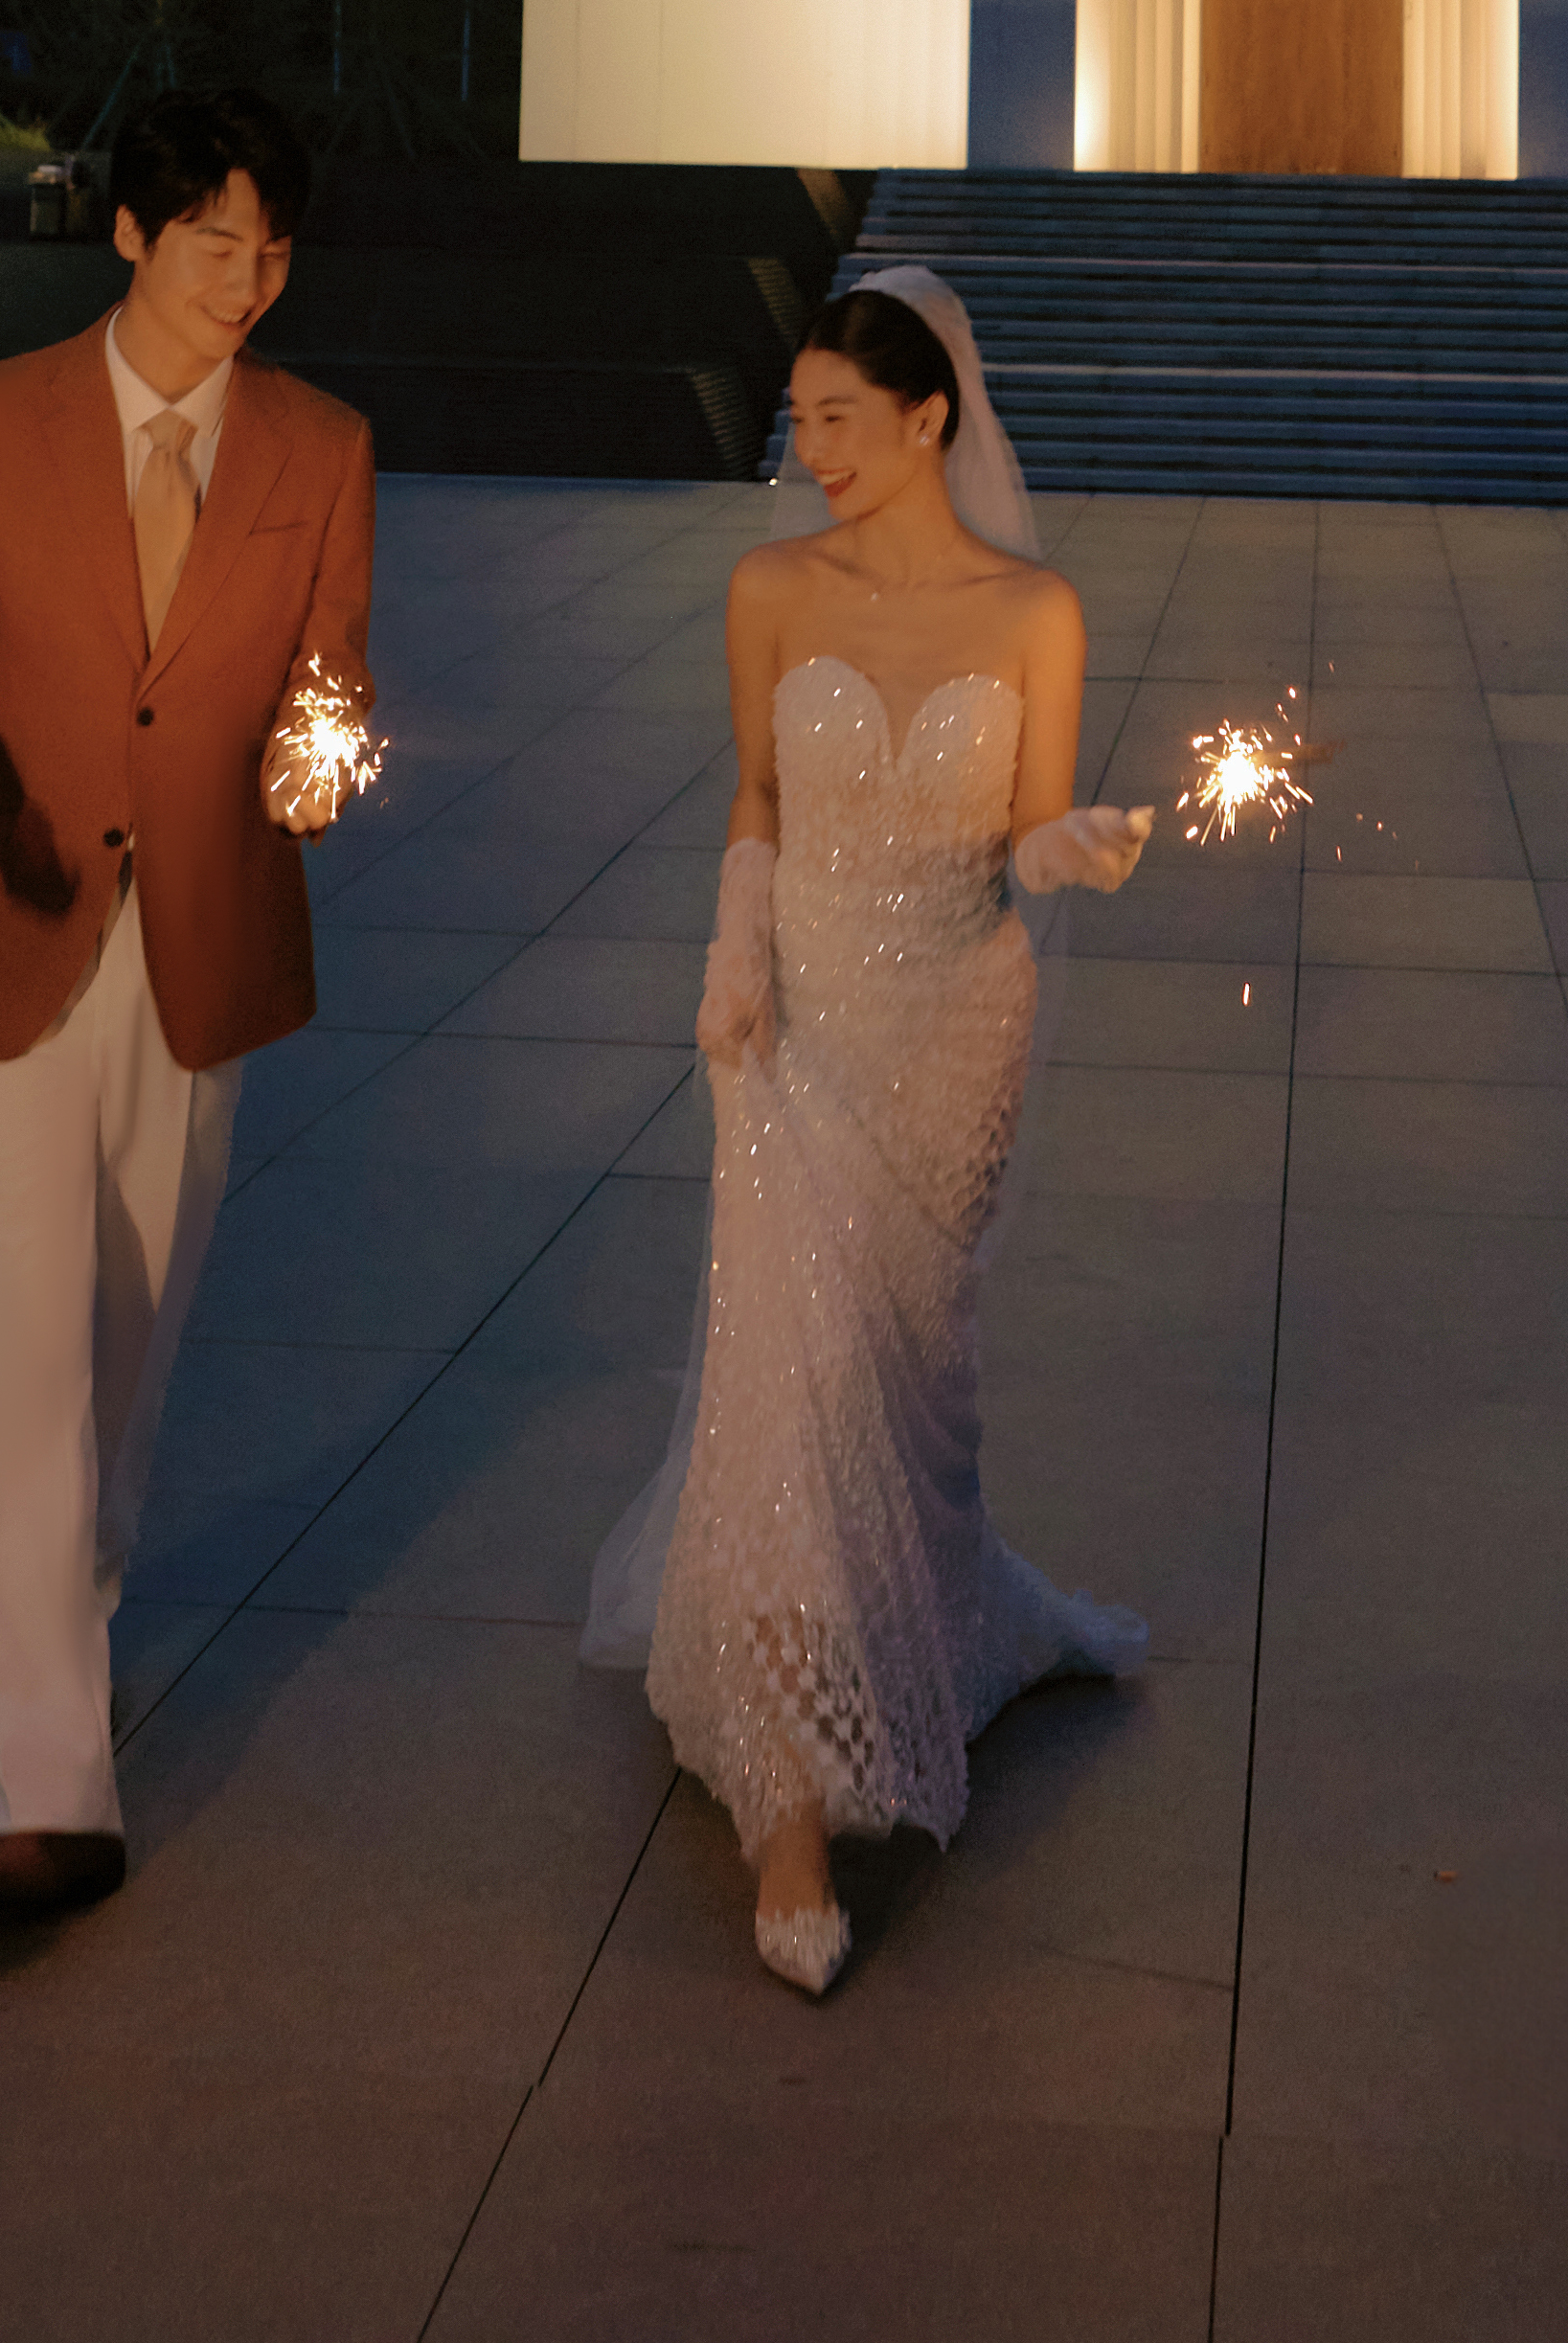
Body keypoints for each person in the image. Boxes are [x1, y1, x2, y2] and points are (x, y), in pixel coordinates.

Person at [592, 271, 1153, 1994]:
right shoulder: (772, 589)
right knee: (795, 1368)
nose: (808, 445)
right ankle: (792, 1805)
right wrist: (730, 958)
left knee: (902, 1368)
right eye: (798, 415)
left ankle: (951, 1615)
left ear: (930, 419)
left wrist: (1077, 853)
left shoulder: (1035, 613)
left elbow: (1034, 828)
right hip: (797, 1017)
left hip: (955, 1023)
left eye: (841, 415)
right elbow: (757, 799)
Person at [0, 82, 372, 1922]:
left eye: (274, 249)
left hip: (204, 938)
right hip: (9, 925)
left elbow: (331, 671)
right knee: (15, 1339)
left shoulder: (322, 445)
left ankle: (67, 1606)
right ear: (132, 238)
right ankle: (52, 1789)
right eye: (216, 244)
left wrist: (323, 758)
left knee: (130, 1328)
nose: (249, 280)